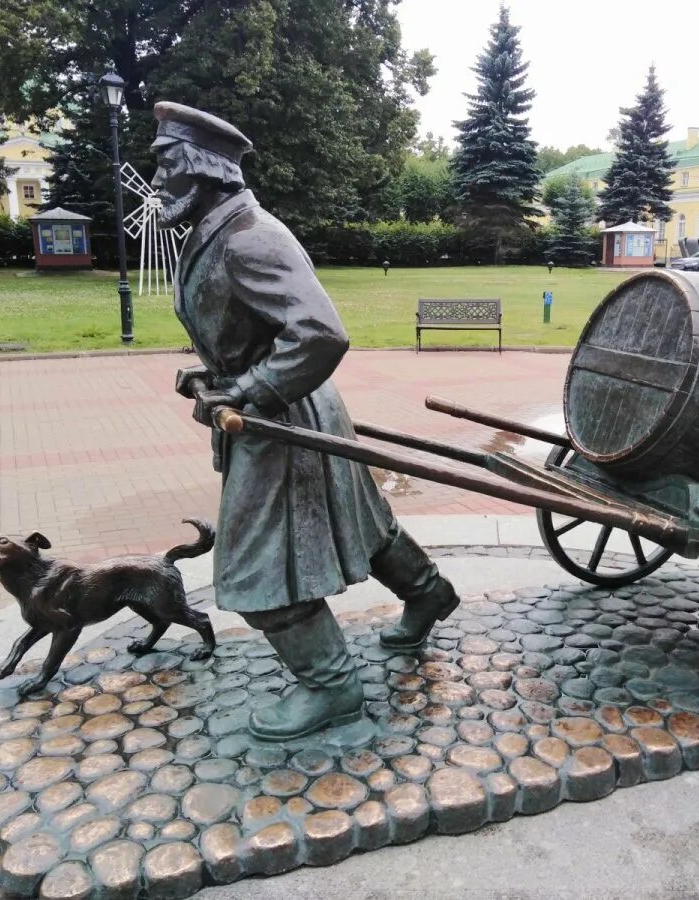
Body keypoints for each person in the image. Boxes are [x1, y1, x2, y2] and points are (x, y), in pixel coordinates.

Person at [149, 102, 460, 742]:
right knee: (360, 520)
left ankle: (331, 684)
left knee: (257, 564)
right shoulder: (213, 230)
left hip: (281, 416)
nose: (157, 182)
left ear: (204, 170)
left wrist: (251, 389)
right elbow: (252, 330)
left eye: (167, 166)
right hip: (283, 407)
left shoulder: (248, 236)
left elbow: (319, 333)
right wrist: (215, 378)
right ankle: (428, 593)